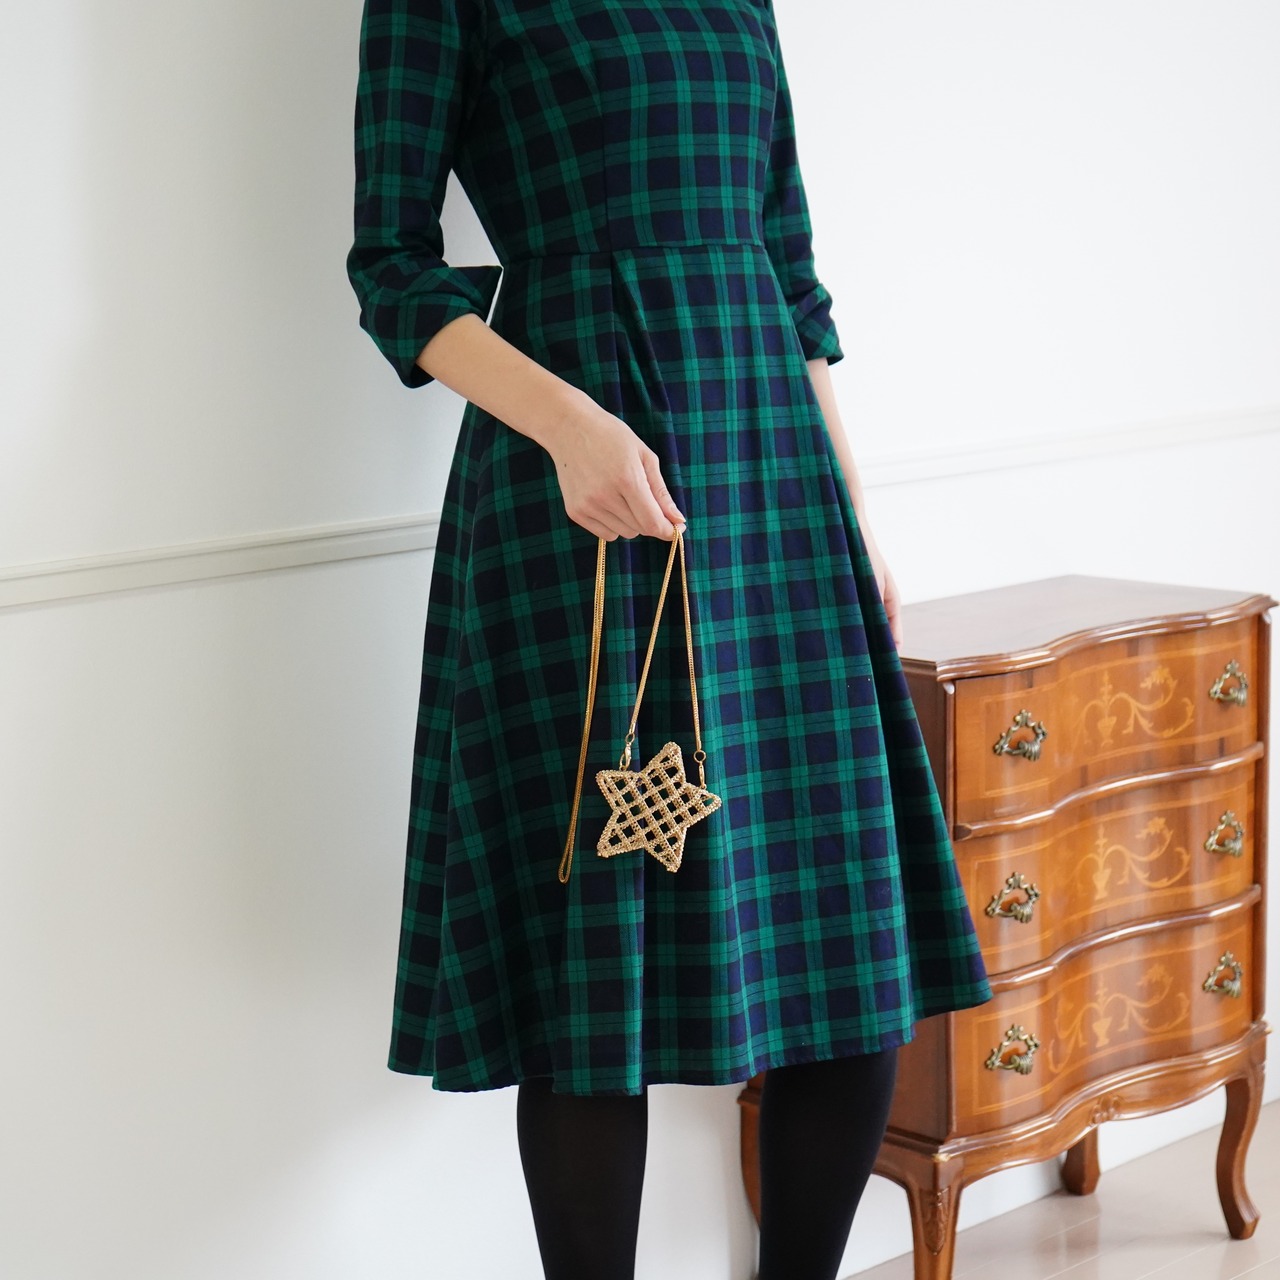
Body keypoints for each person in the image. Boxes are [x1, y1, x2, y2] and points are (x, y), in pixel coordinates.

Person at [346, 1, 994, 1277]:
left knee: (847, 956)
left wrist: (853, 516)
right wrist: (569, 426)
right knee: (595, 985)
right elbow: (391, 268)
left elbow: (787, 267)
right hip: (579, 504)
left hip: (773, 487)